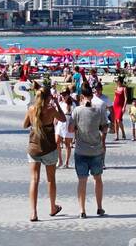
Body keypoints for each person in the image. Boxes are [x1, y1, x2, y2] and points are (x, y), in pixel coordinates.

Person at [24, 81, 64, 221]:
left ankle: (33, 213)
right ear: (48, 97)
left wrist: (33, 120)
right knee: (51, 180)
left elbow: (24, 125)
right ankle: (53, 207)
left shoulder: (31, 109)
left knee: (34, 180)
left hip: (34, 148)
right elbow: (63, 119)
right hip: (49, 148)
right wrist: (56, 104)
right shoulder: (51, 110)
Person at [70, 88, 109, 218]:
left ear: (82, 97)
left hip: (81, 150)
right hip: (96, 150)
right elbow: (105, 128)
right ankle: (99, 207)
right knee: (97, 178)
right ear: (91, 97)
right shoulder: (99, 110)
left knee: (82, 180)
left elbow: (70, 128)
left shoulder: (76, 111)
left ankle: (82, 210)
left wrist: (77, 127)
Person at [56, 89, 75, 168]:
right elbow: (56, 113)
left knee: (67, 144)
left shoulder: (72, 104)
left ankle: (66, 162)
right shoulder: (60, 103)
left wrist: (73, 125)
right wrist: (55, 121)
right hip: (60, 123)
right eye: (62, 95)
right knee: (57, 142)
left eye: (64, 95)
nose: (63, 96)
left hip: (68, 122)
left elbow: (74, 116)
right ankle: (59, 160)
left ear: (68, 95)